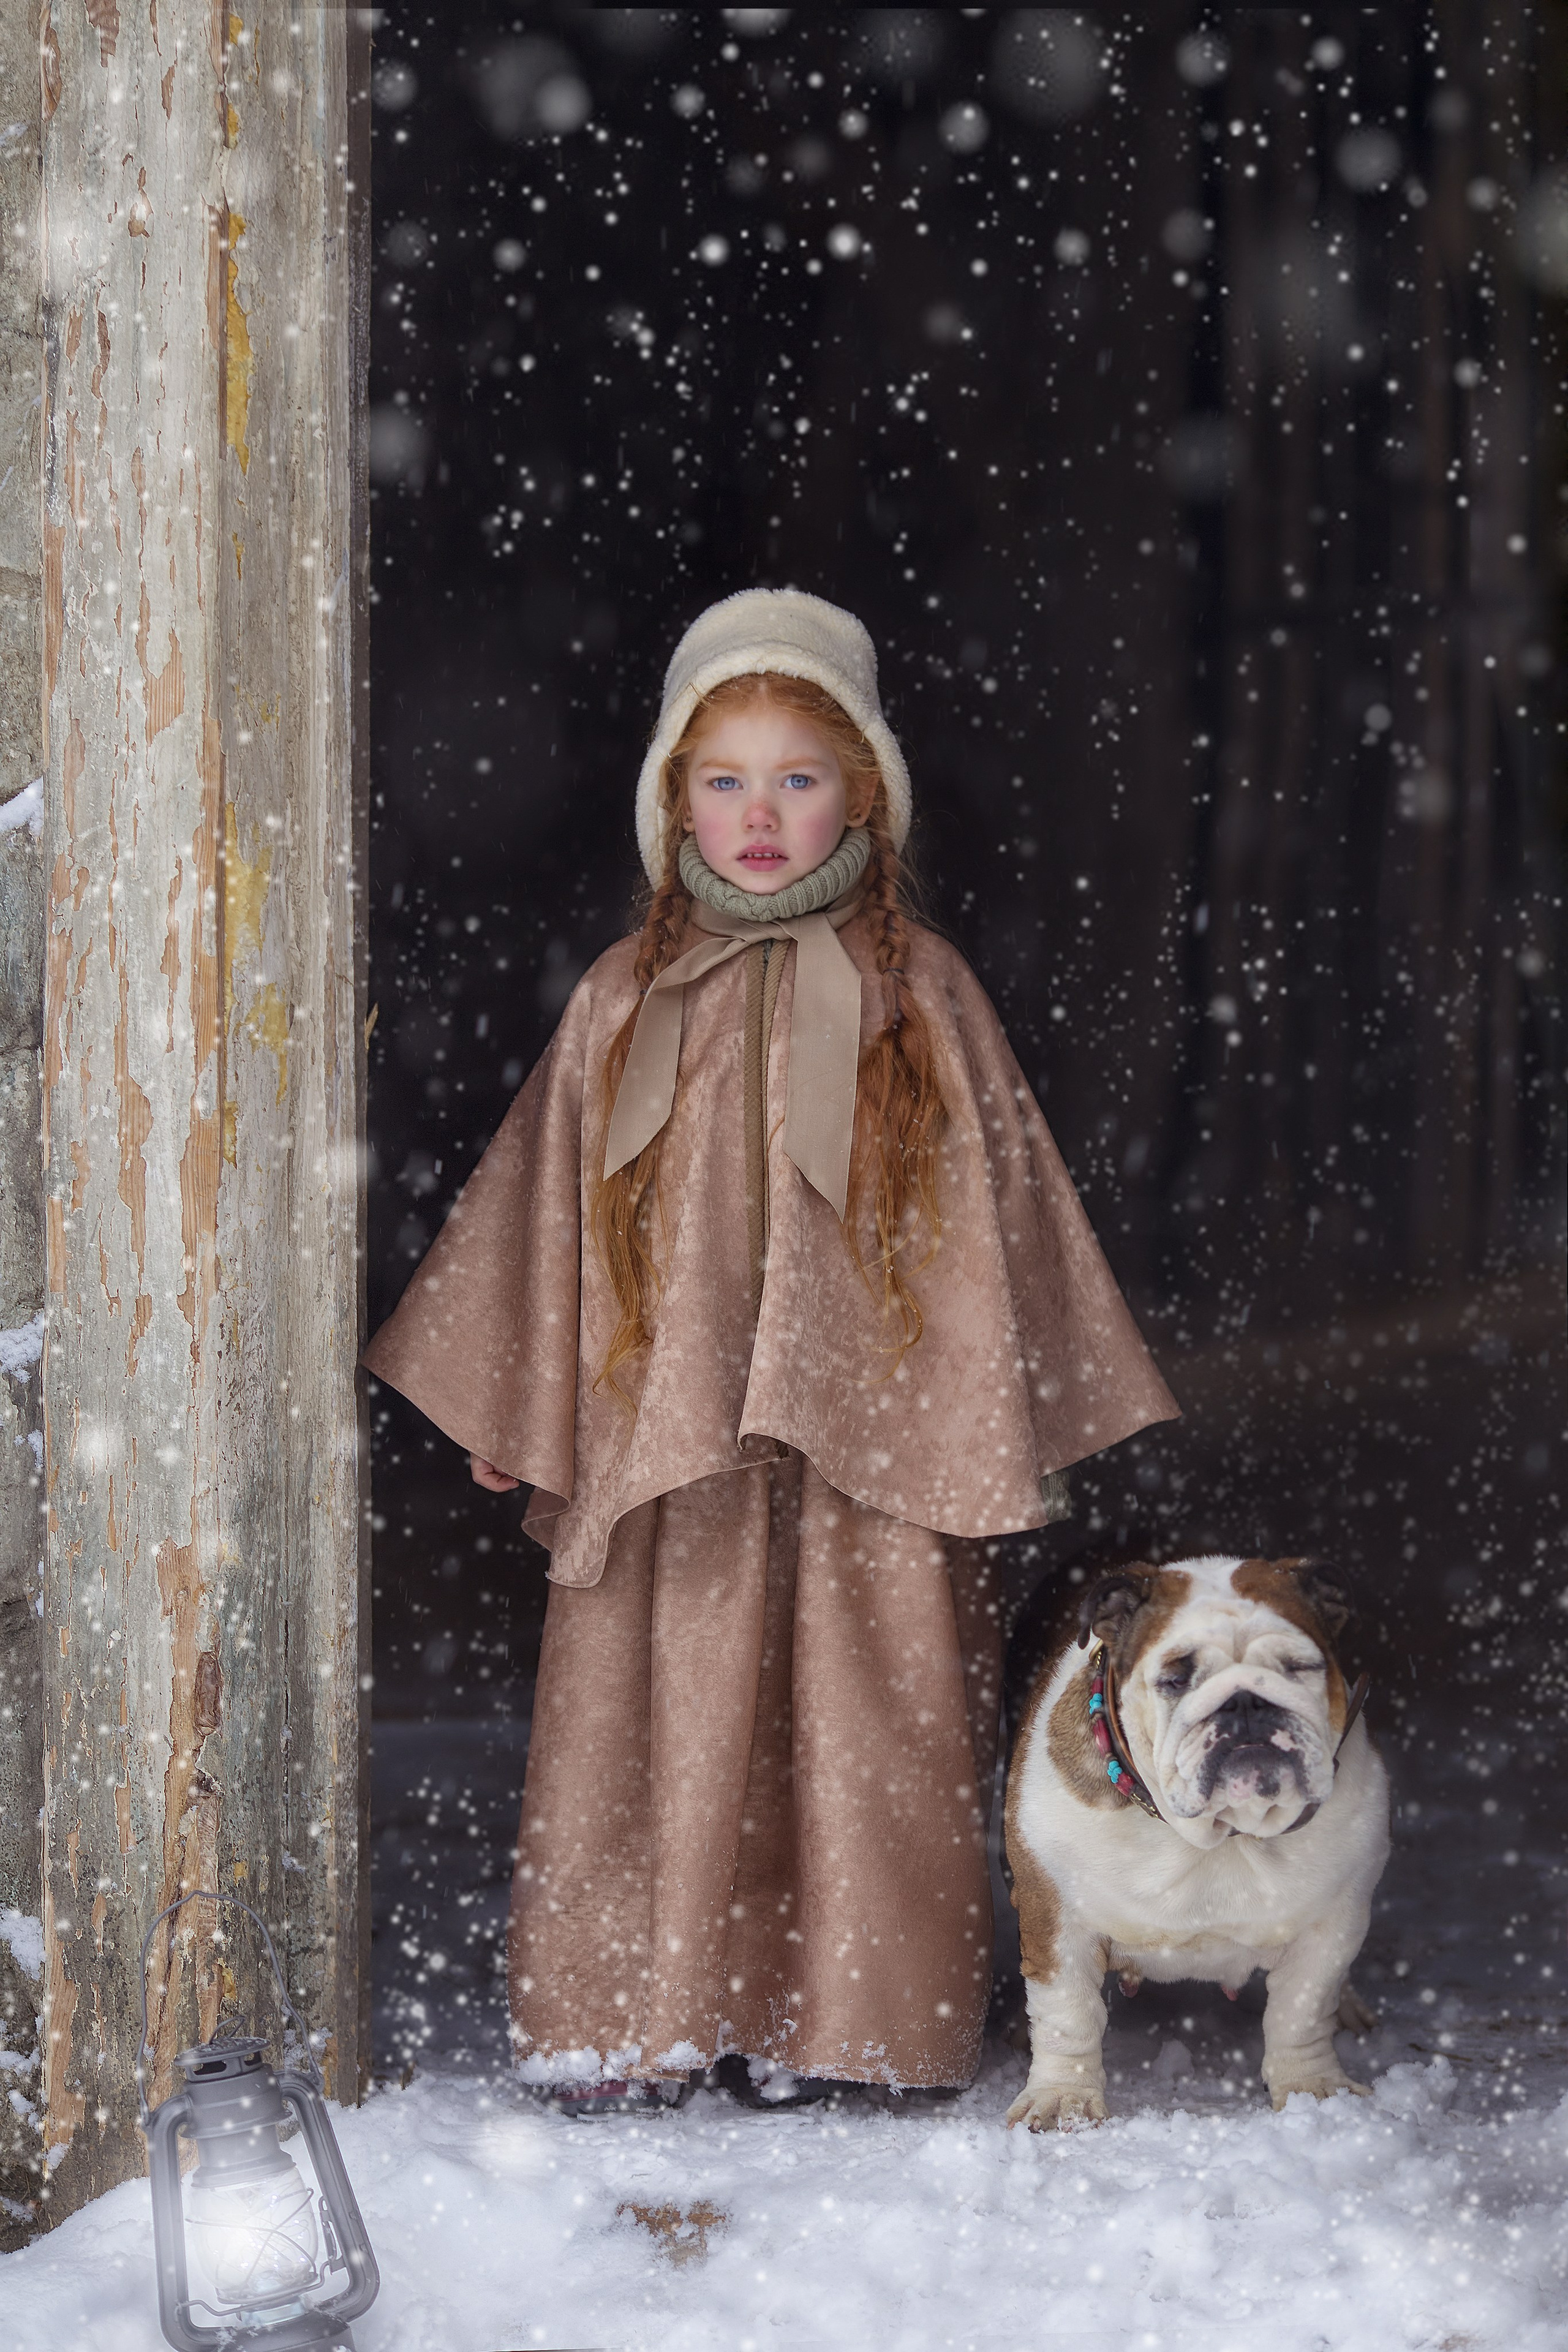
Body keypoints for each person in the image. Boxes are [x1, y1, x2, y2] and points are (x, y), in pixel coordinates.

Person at [363, 588, 1178, 2113]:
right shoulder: (625, 998)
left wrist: (998, 1413)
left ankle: (849, 2022)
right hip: (666, 1439)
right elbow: (546, 1210)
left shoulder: (918, 993)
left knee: (870, 1717)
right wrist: (524, 1404)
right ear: (671, 797)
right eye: (721, 778)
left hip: (882, 1441)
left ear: (862, 792)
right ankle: (645, 2017)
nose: (758, 813)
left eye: (798, 778)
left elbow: (1001, 1215)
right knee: (656, 1705)